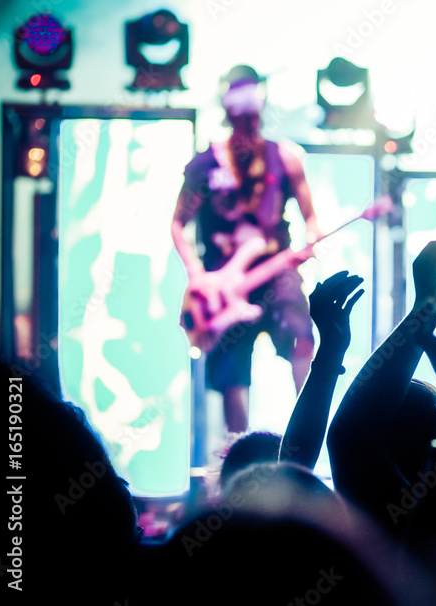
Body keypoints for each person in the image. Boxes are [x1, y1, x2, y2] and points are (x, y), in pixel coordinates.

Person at [171, 65, 323, 434]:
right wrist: (197, 276)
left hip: (275, 271)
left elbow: (310, 218)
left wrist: (311, 240)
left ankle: (307, 437)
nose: (247, 126)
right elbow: (178, 222)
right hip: (221, 282)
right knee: (231, 370)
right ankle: (238, 454)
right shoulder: (204, 165)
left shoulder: (284, 158)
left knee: (302, 336)